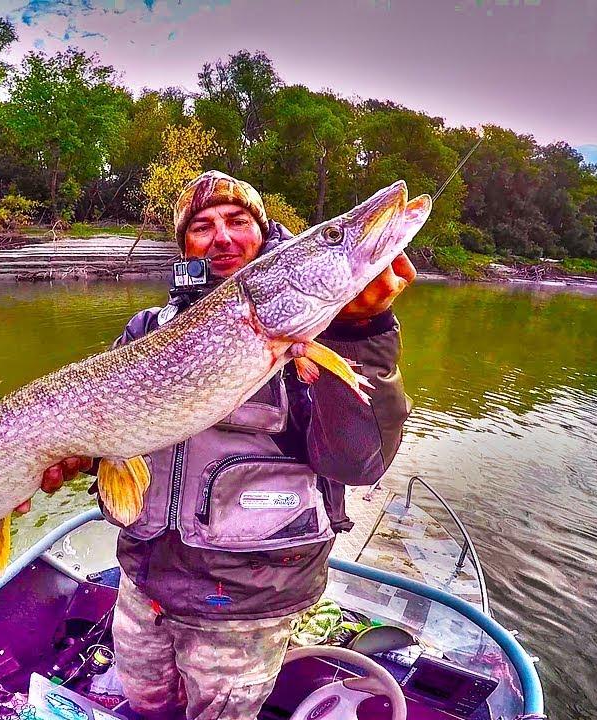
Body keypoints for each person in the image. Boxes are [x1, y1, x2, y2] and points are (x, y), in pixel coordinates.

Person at [22, 170, 413, 720]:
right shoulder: (148, 329)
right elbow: (109, 430)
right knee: (145, 704)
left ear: (266, 232)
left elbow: (357, 462)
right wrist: (66, 452)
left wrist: (363, 331)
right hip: (144, 580)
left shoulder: (324, 332)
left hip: (246, 602)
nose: (222, 237)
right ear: (186, 247)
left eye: (238, 221)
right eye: (202, 227)